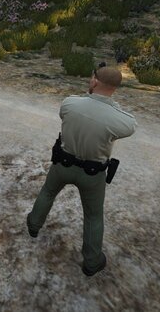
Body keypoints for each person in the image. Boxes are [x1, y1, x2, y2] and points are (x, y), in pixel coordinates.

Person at [26, 63, 137, 276]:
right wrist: (110, 103)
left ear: (94, 81)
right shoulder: (120, 119)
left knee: (47, 193)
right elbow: (130, 125)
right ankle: (92, 262)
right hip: (92, 175)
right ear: (115, 87)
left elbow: (65, 113)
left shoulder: (70, 103)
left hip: (62, 165)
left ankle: (33, 225)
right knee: (94, 216)